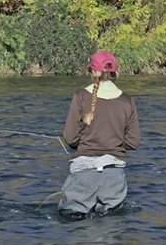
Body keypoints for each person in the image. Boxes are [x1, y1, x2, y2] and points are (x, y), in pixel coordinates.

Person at [58, 51, 142, 219]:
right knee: (111, 223)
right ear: (115, 73)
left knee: (73, 220)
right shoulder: (127, 101)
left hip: (83, 173)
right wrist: (112, 143)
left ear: (94, 72)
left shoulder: (80, 97)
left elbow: (70, 137)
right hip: (114, 175)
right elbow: (133, 142)